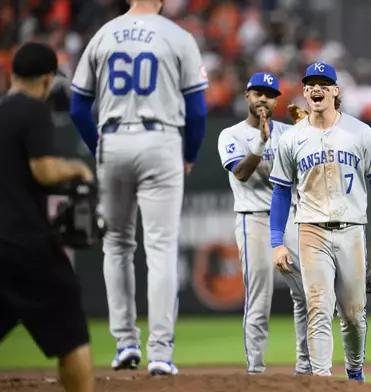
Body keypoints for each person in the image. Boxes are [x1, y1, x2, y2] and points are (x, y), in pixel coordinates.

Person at [69, 0, 209, 376]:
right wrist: (190, 154)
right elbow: (197, 110)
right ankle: (160, 353)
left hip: (114, 138)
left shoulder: (103, 34)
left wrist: (100, 146)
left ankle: (125, 345)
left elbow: (79, 106)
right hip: (160, 139)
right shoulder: (177, 36)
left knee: (116, 244)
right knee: (161, 246)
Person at [269, 62, 371, 381]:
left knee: (354, 315)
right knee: (318, 308)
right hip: (310, 231)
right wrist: (276, 242)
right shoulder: (292, 139)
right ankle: (322, 380)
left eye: (324, 84)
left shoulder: (360, 131)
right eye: (311, 84)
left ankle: (354, 373)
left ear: (335, 91)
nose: (317, 89)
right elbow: (280, 193)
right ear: (304, 91)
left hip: (351, 232)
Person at [0, 42, 96, 392]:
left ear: (12, 73)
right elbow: (42, 169)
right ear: (46, 81)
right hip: (26, 243)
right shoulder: (32, 109)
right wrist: (76, 169)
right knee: (71, 334)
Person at [217, 72, 311, 375]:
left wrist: (313, 133)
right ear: (247, 96)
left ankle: (306, 367)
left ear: (276, 101)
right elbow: (241, 174)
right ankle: (255, 373)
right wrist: (260, 143)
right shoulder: (230, 134)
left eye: (269, 94)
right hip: (253, 218)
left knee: (307, 293)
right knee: (259, 297)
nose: (263, 99)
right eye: (257, 93)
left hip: (290, 217)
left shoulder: (291, 131)